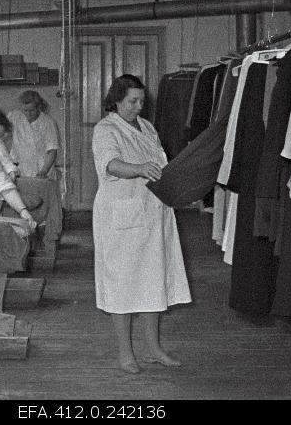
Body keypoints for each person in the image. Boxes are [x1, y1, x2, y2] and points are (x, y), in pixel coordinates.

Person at [92, 74, 191, 374]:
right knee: (122, 285)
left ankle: (154, 349)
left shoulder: (147, 127)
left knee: (153, 282)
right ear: (116, 100)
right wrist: (138, 169)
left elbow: (160, 164)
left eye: (141, 101)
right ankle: (125, 353)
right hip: (121, 217)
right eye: (132, 101)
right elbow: (110, 164)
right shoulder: (105, 129)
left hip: (153, 213)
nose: (138, 107)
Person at [7, 90, 60, 179]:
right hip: (20, 171)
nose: (28, 114)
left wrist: (44, 170)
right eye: (25, 110)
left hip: (41, 171)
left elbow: (52, 150)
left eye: (32, 110)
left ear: (38, 107)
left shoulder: (48, 122)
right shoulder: (14, 117)